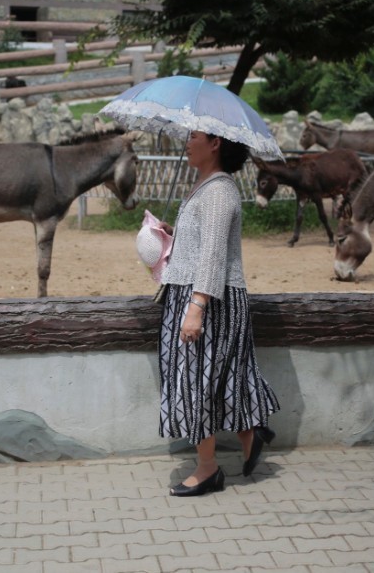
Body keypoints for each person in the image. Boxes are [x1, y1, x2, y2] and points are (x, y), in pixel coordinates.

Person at [156, 131, 280, 496]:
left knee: (196, 380)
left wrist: (195, 308)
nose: (186, 141)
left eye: (193, 136)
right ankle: (250, 431)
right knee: (219, 377)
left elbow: (212, 255)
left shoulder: (219, 191)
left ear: (215, 144)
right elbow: (204, 241)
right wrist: (173, 234)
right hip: (200, 294)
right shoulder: (208, 186)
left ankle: (209, 469)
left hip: (207, 298)